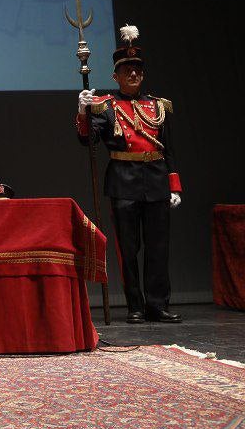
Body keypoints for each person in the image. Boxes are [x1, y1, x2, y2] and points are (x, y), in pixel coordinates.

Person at [77, 24, 183, 324]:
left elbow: (169, 150)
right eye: (127, 71)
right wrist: (83, 111)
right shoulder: (106, 107)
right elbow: (88, 141)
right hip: (123, 181)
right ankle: (135, 305)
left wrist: (174, 186)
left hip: (157, 180)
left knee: (158, 247)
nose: (133, 75)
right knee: (128, 248)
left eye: (137, 70)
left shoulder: (158, 106)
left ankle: (158, 305)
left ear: (142, 74)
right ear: (116, 76)